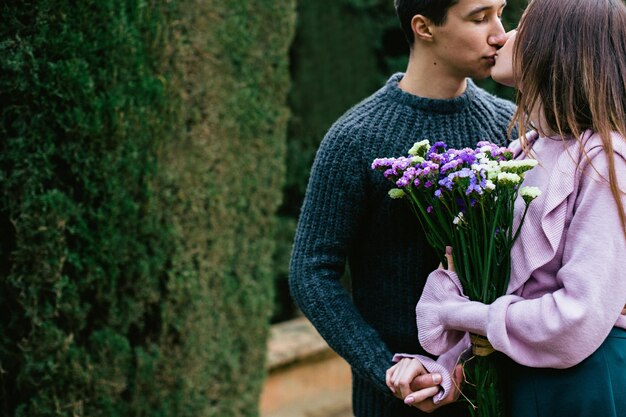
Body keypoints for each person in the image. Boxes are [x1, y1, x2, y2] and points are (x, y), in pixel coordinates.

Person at [387, 0, 626, 415]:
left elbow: (578, 315)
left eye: (521, 26)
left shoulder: (605, 160)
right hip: (524, 374)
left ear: (556, 48)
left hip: (583, 380)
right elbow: (500, 287)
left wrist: (469, 316)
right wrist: (443, 369)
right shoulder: (523, 150)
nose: (503, 35)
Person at [288, 0, 516, 415]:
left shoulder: (511, 125)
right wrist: (385, 366)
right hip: (400, 401)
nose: (499, 33)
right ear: (424, 27)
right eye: (480, 18)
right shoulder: (355, 139)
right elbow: (311, 271)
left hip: (505, 392)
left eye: (500, 13)